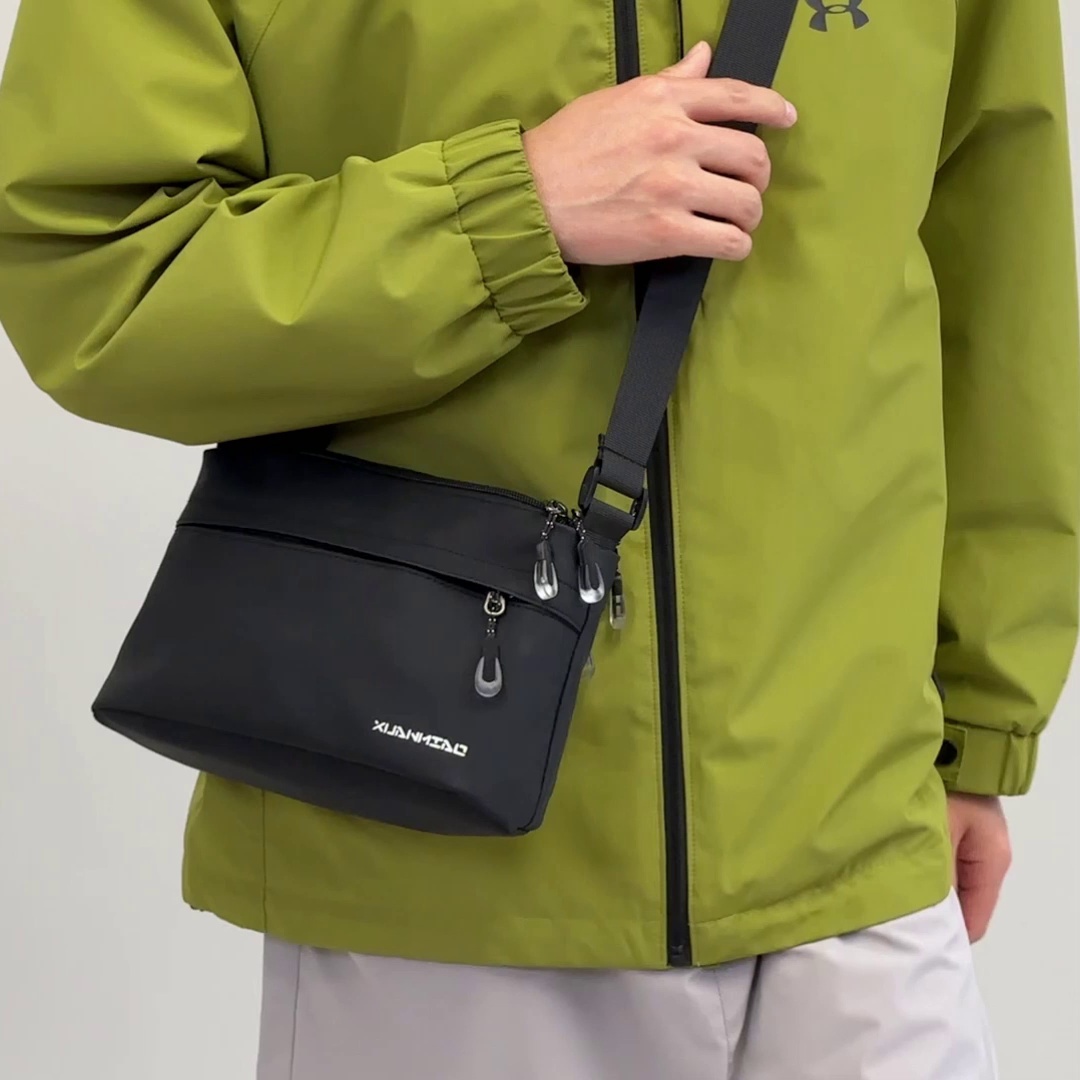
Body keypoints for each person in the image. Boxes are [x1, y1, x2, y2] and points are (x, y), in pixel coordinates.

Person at [0, 0, 1075, 1077]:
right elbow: (91, 265)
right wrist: (514, 213)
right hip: (437, 882)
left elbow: (1000, 283)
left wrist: (977, 729)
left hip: (862, 867)